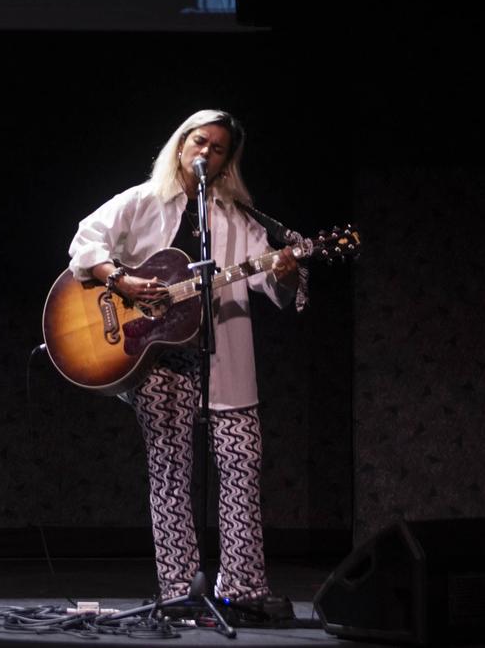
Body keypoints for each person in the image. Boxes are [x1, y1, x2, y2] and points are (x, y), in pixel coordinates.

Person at [65, 109, 304, 620]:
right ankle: (178, 592)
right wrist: (122, 281)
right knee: (171, 475)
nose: (206, 154)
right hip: (156, 360)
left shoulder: (238, 218)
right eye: (199, 142)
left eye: (218, 149)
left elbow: (274, 288)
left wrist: (284, 272)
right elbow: (85, 240)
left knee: (241, 466)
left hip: (225, 363)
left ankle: (239, 591)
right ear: (180, 145)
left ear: (226, 162)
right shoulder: (144, 202)